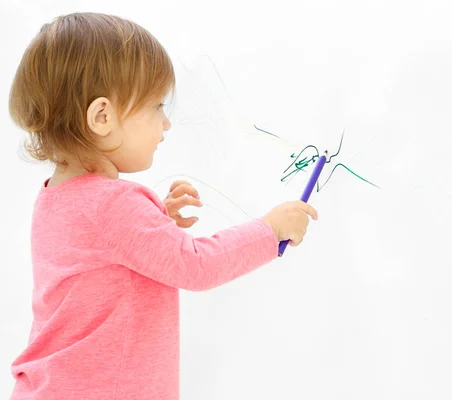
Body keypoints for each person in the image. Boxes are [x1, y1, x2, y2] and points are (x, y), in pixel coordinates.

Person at [7, 12, 317, 400]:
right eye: (156, 107)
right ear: (102, 116)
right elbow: (196, 266)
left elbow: (102, 262)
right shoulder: (114, 205)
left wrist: (157, 220)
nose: (166, 124)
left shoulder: (54, 197)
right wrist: (270, 229)